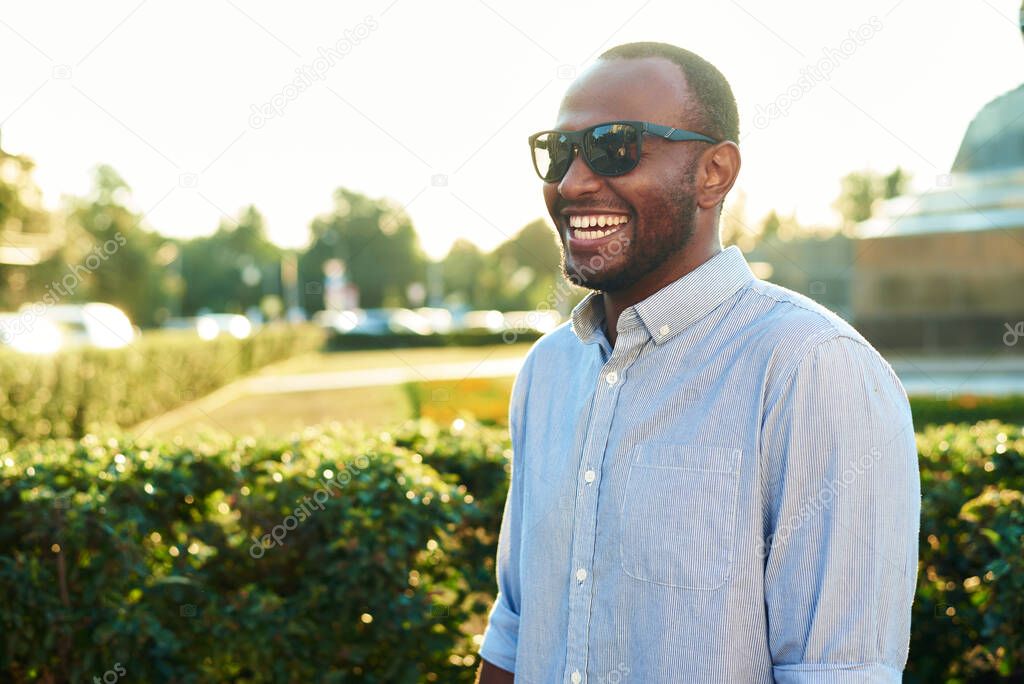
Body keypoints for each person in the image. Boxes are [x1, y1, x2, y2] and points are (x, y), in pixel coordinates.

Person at [475, 41, 920, 683]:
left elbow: (836, 671)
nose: (573, 181)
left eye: (615, 146)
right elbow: (515, 631)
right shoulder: (548, 370)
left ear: (715, 171)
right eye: (559, 152)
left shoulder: (812, 368)